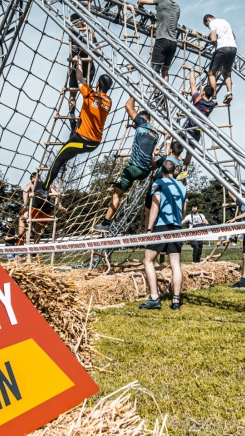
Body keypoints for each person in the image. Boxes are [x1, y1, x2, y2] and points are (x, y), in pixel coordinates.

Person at [39, 57, 113, 196]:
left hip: (82, 140)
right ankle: (64, 163)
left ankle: (44, 188)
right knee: (73, 135)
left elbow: (79, 78)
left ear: (97, 84)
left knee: (58, 159)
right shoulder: (109, 101)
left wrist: (78, 61)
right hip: (94, 143)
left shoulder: (90, 94)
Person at [94, 97, 158, 233]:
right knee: (124, 186)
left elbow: (128, 105)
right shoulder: (155, 134)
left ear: (142, 119)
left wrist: (133, 95)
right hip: (145, 171)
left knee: (116, 194)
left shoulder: (142, 124)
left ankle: (105, 223)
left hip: (133, 168)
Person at [140, 159, 187, 310]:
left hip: (162, 226)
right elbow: (184, 211)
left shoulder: (158, 183)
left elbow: (155, 206)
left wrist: (149, 229)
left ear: (161, 171)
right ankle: (176, 300)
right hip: (177, 227)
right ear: (174, 171)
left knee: (148, 260)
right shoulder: (182, 187)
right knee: (175, 264)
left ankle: (154, 297)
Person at [179, 69, 217, 178]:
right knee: (190, 152)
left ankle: (177, 162)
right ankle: (184, 168)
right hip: (197, 131)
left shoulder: (197, 99)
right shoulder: (212, 105)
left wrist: (192, 70)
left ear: (203, 92)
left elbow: (192, 83)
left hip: (189, 128)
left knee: (176, 144)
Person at [66, 14, 99, 125]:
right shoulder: (73, 33)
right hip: (77, 66)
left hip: (87, 67)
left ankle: (82, 117)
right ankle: (72, 118)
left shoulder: (86, 34)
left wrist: (93, 36)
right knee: (73, 93)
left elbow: (98, 52)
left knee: (85, 94)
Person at [138, 0, 180, 84]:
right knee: (165, 69)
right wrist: (159, 8)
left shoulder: (161, 1)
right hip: (173, 42)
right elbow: (168, 15)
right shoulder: (177, 7)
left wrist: (139, 4)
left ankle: (157, 90)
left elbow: (142, 1)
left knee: (154, 69)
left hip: (162, 40)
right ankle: (165, 90)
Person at [19, 178, 67, 244]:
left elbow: (25, 191)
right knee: (37, 229)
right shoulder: (48, 184)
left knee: (21, 218)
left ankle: (20, 238)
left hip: (37, 212)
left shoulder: (31, 184)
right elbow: (56, 194)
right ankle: (36, 246)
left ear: (32, 179)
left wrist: (25, 204)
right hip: (48, 214)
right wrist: (60, 205)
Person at [202, 14, 237, 105]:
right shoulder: (225, 21)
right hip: (233, 48)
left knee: (211, 73)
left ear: (208, 19)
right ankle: (229, 93)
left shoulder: (212, 23)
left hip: (222, 48)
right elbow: (234, 37)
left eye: (207, 25)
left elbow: (213, 39)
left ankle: (214, 98)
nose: (208, 27)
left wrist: (210, 36)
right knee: (226, 72)